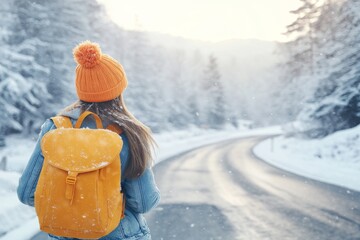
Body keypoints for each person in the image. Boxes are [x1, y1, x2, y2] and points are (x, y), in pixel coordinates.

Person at [17, 40, 161, 240]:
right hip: (117, 234)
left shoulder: (55, 129)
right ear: (118, 91)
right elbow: (143, 202)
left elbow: (27, 193)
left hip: (64, 234)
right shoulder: (128, 133)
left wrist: (72, 206)